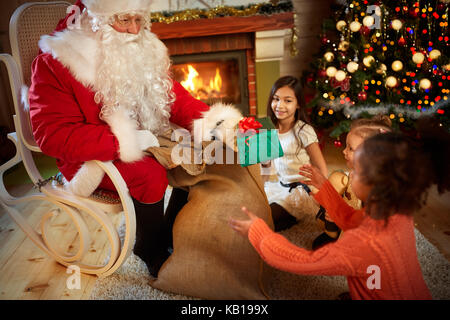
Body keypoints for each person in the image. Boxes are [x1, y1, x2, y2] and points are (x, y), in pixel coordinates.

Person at [28, 0, 233, 277]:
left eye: (140, 20)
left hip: (148, 138)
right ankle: (150, 247)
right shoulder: (56, 62)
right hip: (90, 157)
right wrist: (127, 141)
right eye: (124, 20)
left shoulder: (142, 50)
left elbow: (176, 99)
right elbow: (52, 135)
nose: (134, 30)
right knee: (149, 174)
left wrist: (219, 124)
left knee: (196, 152)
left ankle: (171, 232)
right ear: (99, 18)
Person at [230, 117, 449, 299]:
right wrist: (324, 187)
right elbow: (351, 219)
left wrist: (260, 233)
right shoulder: (396, 210)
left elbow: (304, 262)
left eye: (356, 173)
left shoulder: (362, 244)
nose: (350, 174)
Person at [312, 115, 392, 249]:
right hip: (347, 220)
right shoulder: (352, 176)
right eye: (346, 146)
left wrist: (342, 217)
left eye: (350, 148)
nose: (343, 151)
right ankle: (331, 234)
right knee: (336, 179)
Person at [262, 76, 327, 231]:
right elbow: (265, 171)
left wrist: (325, 199)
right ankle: (285, 217)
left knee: (266, 221)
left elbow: (321, 168)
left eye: (288, 100)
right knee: (254, 209)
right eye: (276, 99)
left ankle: (292, 217)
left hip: (301, 191)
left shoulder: (303, 131)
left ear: (298, 104)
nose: (279, 105)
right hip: (279, 186)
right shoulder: (269, 129)